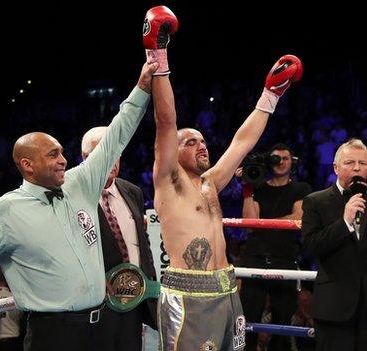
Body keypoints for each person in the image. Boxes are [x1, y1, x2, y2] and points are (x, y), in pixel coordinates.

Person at [0, 60, 158, 351]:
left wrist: (142, 88)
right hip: (53, 334)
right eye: (53, 154)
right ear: (27, 165)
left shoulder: (81, 182)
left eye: (62, 153)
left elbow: (116, 137)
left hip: (103, 326)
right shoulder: (5, 210)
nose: (63, 160)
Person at [144, 5, 303, 350]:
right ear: (175, 150)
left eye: (203, 140)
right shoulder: (169, 181)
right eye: (191, 142)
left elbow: (242, 142)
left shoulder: (210, 183)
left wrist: (270, 96)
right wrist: (158, 54)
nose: (202, 145)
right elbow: (166, 122)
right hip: (188, 296)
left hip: (227, 290)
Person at [80, 126, 157, 351]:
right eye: (107, 151)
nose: (113, 159)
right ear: (86, 158)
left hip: (134, 300)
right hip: (95, 303)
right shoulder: (74, 194)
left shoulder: (132, 190)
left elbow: (142, 244)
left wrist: (149, 287)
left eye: (118, 152)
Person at [239, 143, 311, 350]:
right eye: (276, 158)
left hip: (284, 258)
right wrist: (247, 188)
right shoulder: (258, 188)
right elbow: (250, 224)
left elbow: (298, 219)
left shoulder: (301, 188)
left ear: (293, 162)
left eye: (285, 158)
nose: (280, 162)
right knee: (249, 318)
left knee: (283, 319)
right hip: (255, 257)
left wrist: (265, 223)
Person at [301, 138, 367, 350]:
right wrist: (345, 222)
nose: (357, 168)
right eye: (350, 163)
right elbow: (311, 247)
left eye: (363, 163)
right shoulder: (316, 201)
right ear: (336, 168)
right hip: (334, 308)